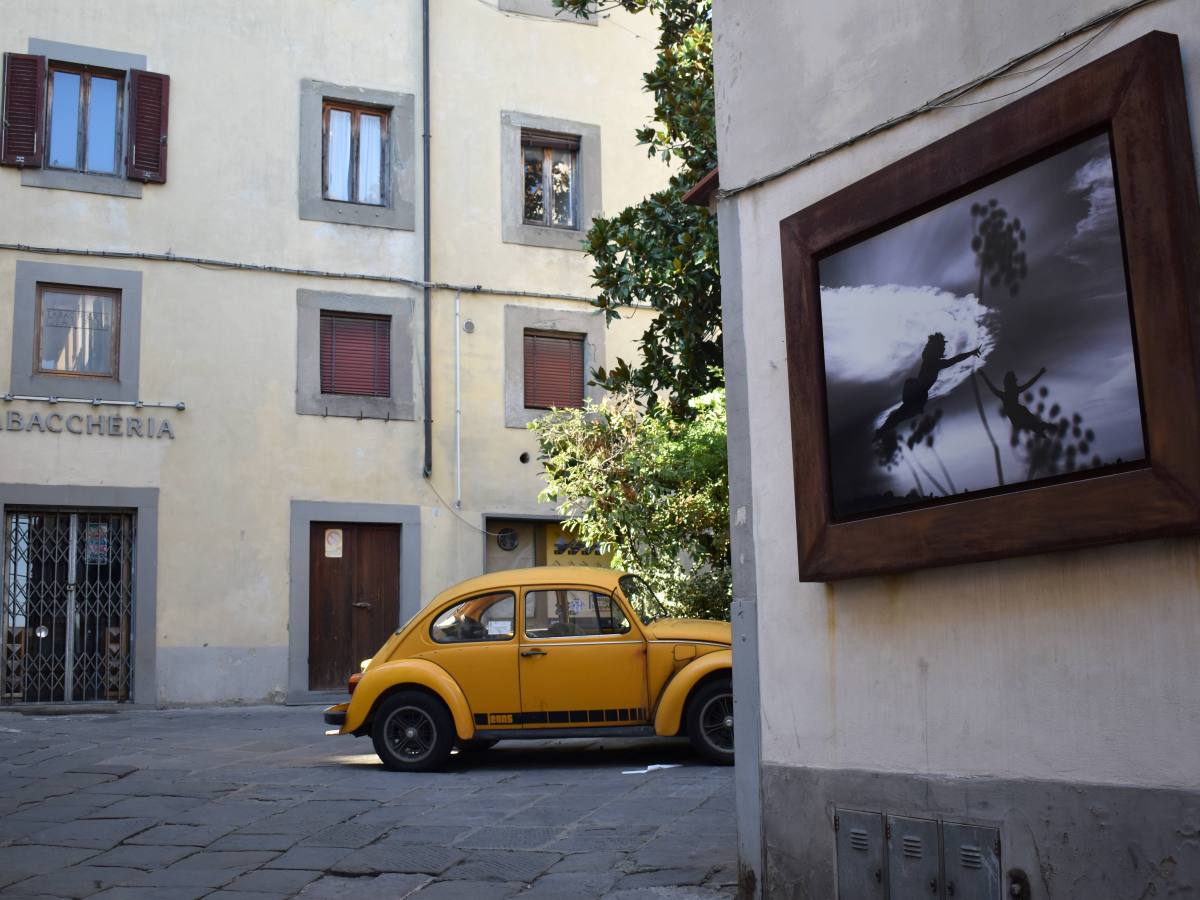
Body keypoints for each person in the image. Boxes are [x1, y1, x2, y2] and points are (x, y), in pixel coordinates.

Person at [876, 333, 980, 436]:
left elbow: (953, 360)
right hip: (917, 396)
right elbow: (955, 360)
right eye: (942, 346)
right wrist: (971, 353)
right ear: (937, 349)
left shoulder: (930, 360)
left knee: (897, 417)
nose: (944, 349)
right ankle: (880, 432)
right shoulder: (934, 362)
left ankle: (881, 432)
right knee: (897, 417)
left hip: (916, 395)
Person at [978, 366, 1053, 439]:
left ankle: (1041, 428)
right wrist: (1040, 373)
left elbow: (1029, 383)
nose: (1015, 384)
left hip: (1018, 415)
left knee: (1031, 424)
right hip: (1019, 415)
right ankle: (1041, 428)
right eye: (1014, 382)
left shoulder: (1006, 394)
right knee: (1032, 424)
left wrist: (983, 375)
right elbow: (1029, 383)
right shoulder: (1012, 392)